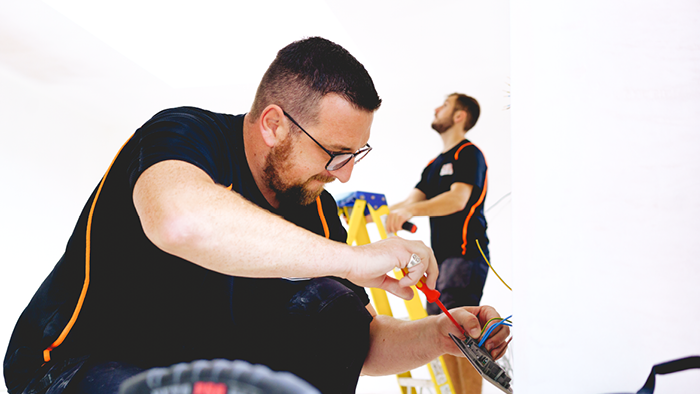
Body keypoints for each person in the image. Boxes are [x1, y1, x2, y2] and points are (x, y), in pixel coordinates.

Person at [4, 38, 509, 394]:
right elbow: (180, 220)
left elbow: (357, 342)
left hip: (194, 373)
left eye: (358, 153)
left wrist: (437, 336)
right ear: (273, 125)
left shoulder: (318, 210)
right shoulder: (184, 137)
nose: (346, 175)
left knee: (334, 309)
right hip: (70, 368)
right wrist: (352, 258)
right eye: (336, 153)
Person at [385, 93, 491, 394]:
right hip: (439, 263)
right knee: (443, 340)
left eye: (444, 105)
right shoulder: (434, 165)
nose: (436, 108)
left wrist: (409, 211)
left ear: (459, 116)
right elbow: (409, 202)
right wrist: (378, 212)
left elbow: (458, 199)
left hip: (465, 256)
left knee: (462, 339)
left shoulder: (469, 154)